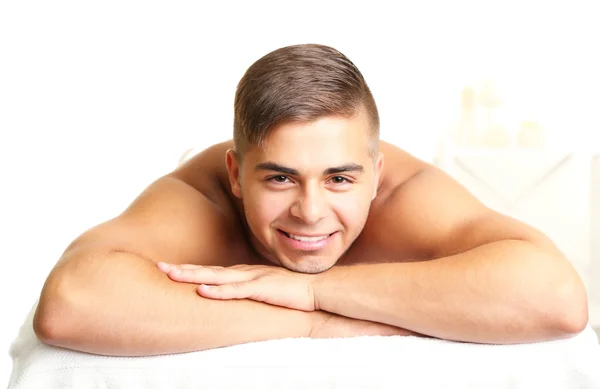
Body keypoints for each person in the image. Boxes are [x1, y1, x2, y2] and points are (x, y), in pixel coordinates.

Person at [33, 44, 588, 356]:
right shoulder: (198, 199)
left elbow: (556, 298)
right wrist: (313, 319)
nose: (311, 211)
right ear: (235, 173)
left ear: (375, 173)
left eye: (340, 180)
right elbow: (71, 302)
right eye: (279, 179)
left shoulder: (407, 195)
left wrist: (315, 288)